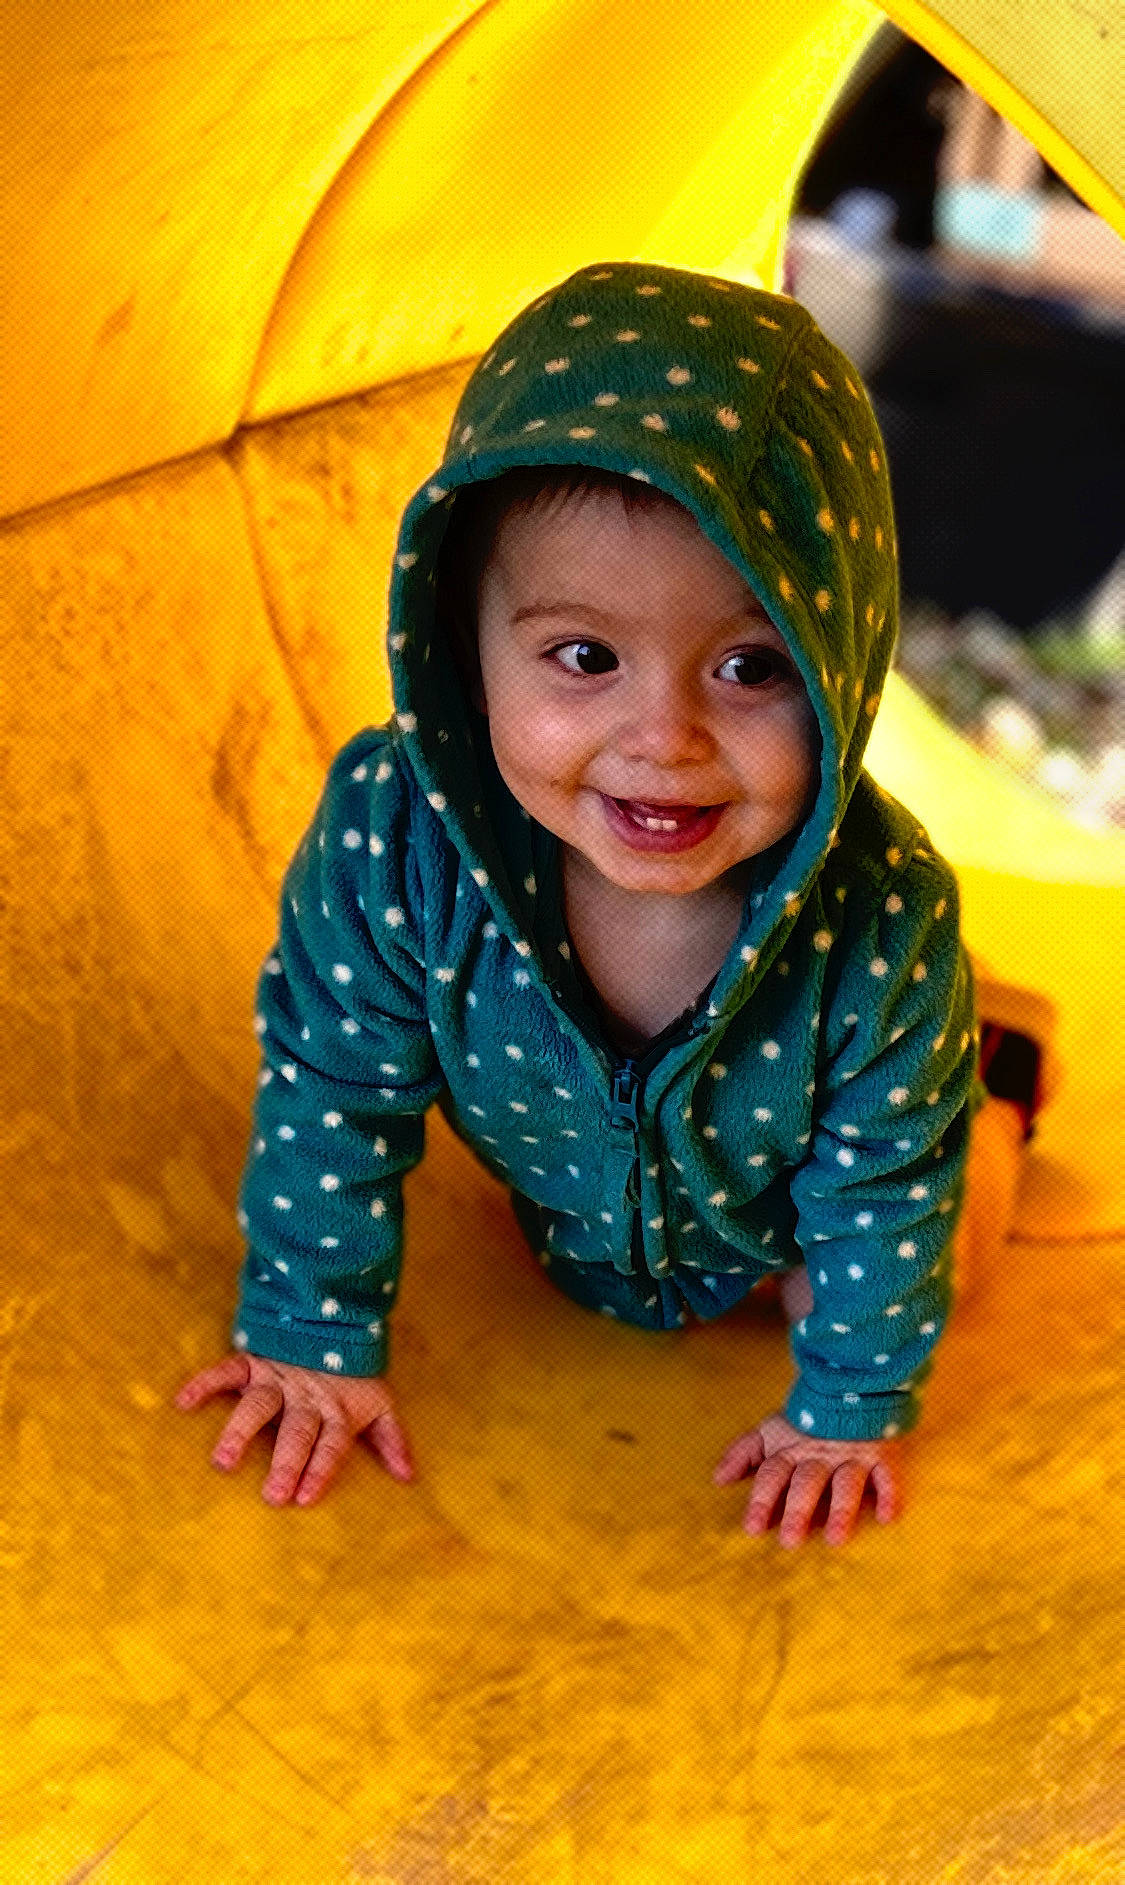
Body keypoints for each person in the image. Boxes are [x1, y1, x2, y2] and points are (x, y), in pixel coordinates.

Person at [175, 260, 1052, 1548]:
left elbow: (884, 1190)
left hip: (784, 1219)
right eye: (584, 658)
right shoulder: (396, 840)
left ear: (844, 663)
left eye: (751, 667)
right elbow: (332, 1087)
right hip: (565, 1229)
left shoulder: (878, 914)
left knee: (932, 1234)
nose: (665, 740)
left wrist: (847, 1406)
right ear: (459, 642)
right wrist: (312, 1335)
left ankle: (1003, 1077)